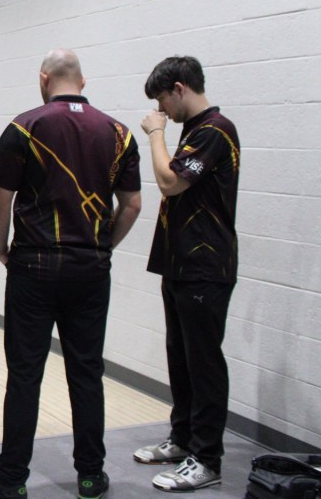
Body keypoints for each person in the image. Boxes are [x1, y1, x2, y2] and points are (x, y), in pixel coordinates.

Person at [0, 49, 142, 499]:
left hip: (33, 266)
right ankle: (90, 476)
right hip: (90, 270)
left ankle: (11, 481)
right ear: (82, 83)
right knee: (86, 372)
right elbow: (133, 205)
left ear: (43, 78)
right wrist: (103, 245)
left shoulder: (24, 127)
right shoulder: (121, 134)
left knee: (25, 374)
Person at [134, 56, 240, 492]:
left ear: (178, 89)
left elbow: (171, 182)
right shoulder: (194, 132)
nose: (161, 109)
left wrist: (156, 134)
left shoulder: (217, 130)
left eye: (162, 99)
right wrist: (167, 133)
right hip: (179, 265)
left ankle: (207, 459)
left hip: (206, 267)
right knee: (180, 356)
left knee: (204, 362)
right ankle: (182, 440)